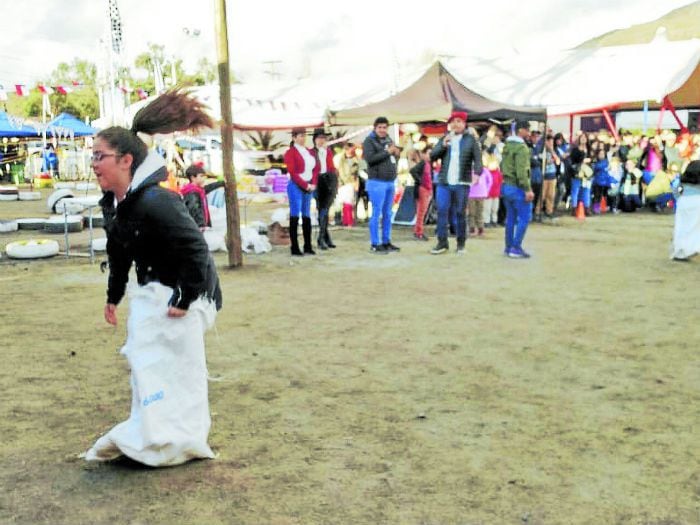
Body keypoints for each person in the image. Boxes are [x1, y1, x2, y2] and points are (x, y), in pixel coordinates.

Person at [84, 88, 223, 467]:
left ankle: (178, 440)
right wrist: (113, 296)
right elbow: (118, 252)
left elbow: (196, 251)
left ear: (126, 160)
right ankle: (155, 434)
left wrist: (184, 298)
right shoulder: (115, 202)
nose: (94, 164)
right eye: (91, 156)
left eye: (100, 156)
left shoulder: (157, 201)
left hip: (189, 292)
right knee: (147, 360)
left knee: (173, 366)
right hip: (154, 286)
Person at [429, 110, 483, 255]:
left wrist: (477, 174)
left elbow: (478, 159)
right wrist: (443, 146)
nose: (455, 124)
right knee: (441, 211)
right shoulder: (444, 139)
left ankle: (460, 243)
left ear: (464, 124)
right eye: (453, 121)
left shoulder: (471, 140)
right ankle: (442, 243)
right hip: (444, 182)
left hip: (462, 182)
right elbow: (432, 156)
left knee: (460, 213)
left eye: (459, 121)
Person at [362, 116, 401, 254]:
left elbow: (392, 158)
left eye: (385, 127)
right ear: (375, 128)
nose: (382, 130)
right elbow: (370, 159)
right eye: (380, 127)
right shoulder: (369, 141)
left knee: (388, 213)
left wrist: (396, 154)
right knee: (377, 212)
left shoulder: (389, 140)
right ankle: (375, 242)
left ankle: (386, 240)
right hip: (377, 181)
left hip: (390, 181)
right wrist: (387, 152)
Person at [500, 120, 535, 258]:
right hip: (517, 187)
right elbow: (522, 172)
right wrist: (527, 189)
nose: (528, 132)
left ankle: (508, 247)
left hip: (506, 185)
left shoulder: (507, 146)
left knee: (510, 219)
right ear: (520, 130)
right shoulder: (522, 148)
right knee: (524, 218)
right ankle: (516, 247)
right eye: (527, 129)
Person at [284, 128, 317, 256]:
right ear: (294, 138)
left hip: (308, 184)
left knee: (306, 215)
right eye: (300, 136)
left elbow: (315, 168)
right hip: (296, 185)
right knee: (295, 215)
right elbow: (293, 172)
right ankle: (295, 246)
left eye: (304, 136)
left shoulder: (309, 152)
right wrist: (305, 184)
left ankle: (307, 245)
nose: (303, 138)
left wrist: (313, 183)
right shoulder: (290, 153)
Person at [311, 128, 337, 250]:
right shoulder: (311, 152)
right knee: (322, 210)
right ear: (315, 140)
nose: (321, 141)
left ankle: (324, 237)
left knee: (325, 210)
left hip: (328, 180)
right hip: (318, 181)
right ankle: (322, 237)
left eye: (323, 138)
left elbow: (331, 167)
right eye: (319, 138)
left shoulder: (328, 152)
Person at [180, 162, 224, 230]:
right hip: (198, 227)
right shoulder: (192, 193)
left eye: (204, 176)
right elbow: (195, 209)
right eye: (201, 176)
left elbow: (208, 188)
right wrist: (201, 225)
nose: (204, 178)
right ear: (193, 178)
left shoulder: (198, 190)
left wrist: (221, 183)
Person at [409, 146, 433, 241]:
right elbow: (413, 171)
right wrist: (420, 182)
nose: (430, 156)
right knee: (421, 212)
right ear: (423, 154)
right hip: (422, 189)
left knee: (422, 212)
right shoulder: (423, 163)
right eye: (428, 153)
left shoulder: (427, 164)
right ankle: (418, 232)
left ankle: (418, 231)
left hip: (426, 189)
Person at [334, 142, 359, 227]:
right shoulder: (340, 159)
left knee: (349, 203)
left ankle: (349, 221)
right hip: (342, 182)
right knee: (343, 203)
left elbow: (356, 173)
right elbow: (337, 171)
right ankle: (344, 220)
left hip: (350, 183)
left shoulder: (355, 160)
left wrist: (356, 183)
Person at [468, 166, 492, 236]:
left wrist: (486, 190)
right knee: (471, 212)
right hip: (470, 194)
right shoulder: (468, 168)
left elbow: (490, 180)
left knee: (479, 212)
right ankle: (471, 229)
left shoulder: (484, 169)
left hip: (481, 194)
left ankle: (480, 229)